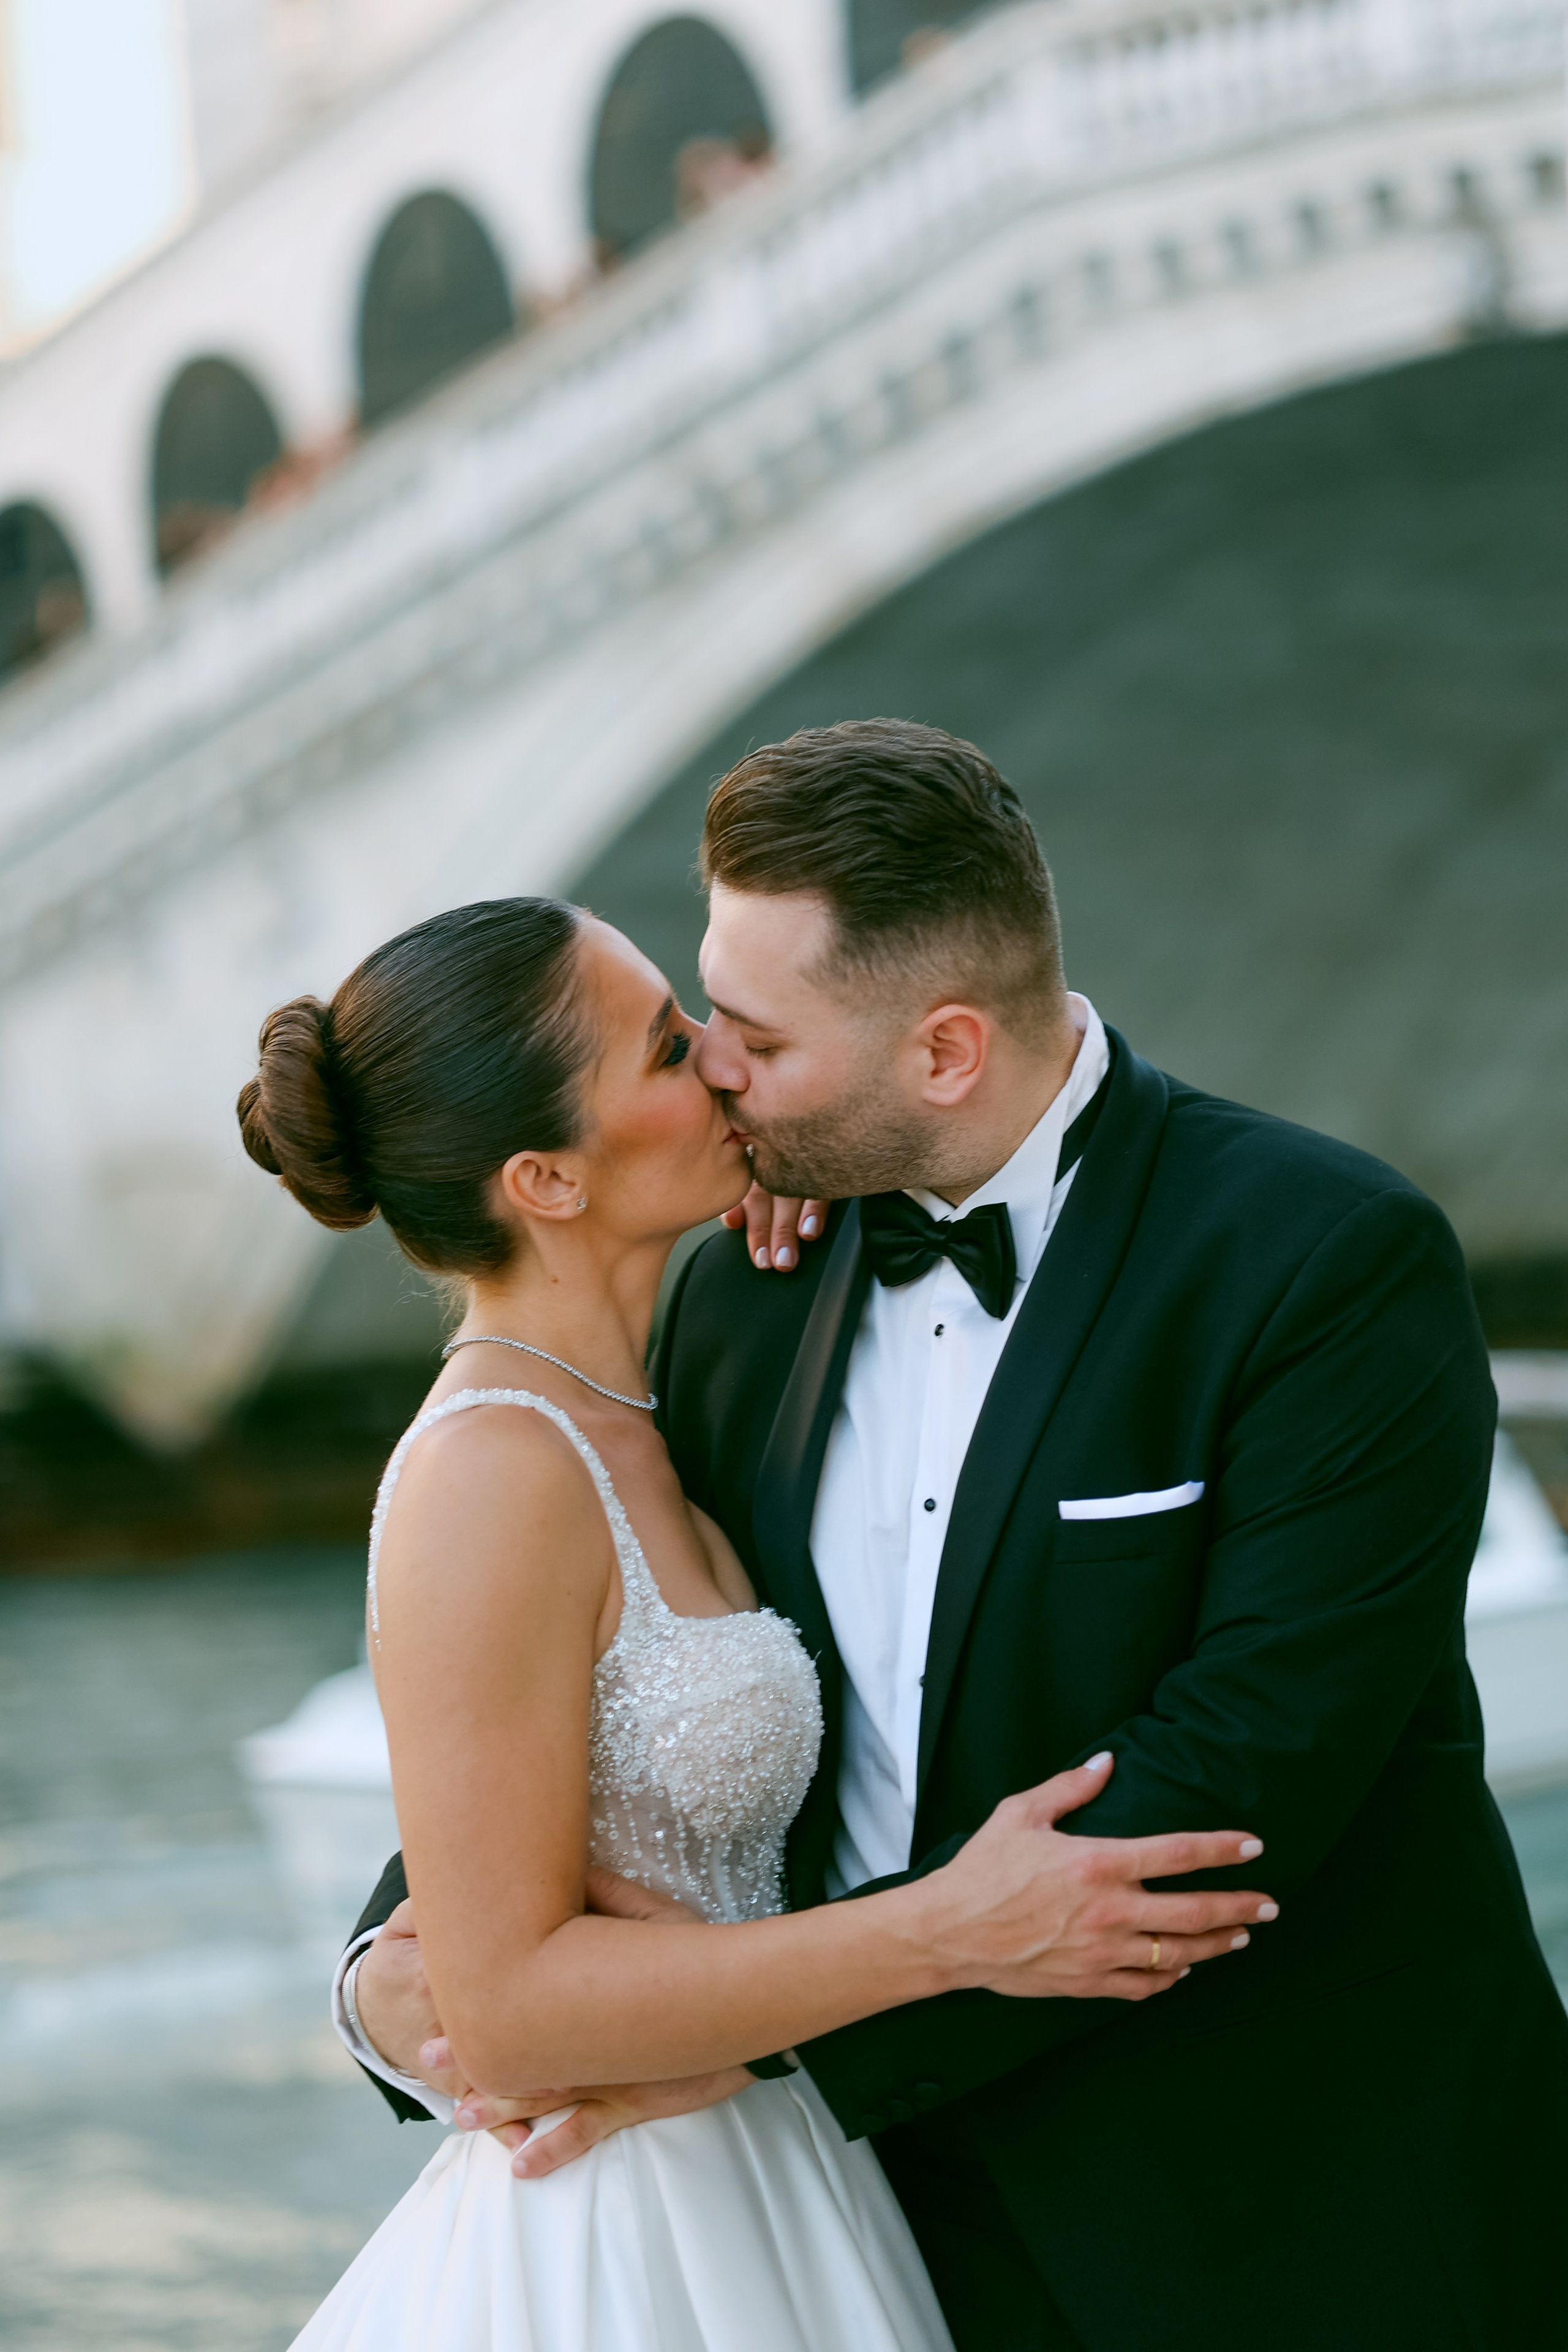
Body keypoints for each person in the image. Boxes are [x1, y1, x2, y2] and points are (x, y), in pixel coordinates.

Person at [343, 721, 1568, 2351]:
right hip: (878, 2240)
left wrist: (783, 2047)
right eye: (696, 1018)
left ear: (940, 1053)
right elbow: (589, 1692)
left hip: (1290, 2222)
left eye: (756, 1041)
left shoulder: (1325, 1263)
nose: (713, 1065)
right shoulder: (738, 1291)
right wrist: (389, 1975)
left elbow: (1245, 1770)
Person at [238, 889, 1273, 2352]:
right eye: (667, 1050)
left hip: (797, 2171)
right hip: (618, 2228)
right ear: (546, 1179)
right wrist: (944, 1935)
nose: (725, 1064)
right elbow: (511, 2003)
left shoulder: (670, 1386)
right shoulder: (490, 1472)